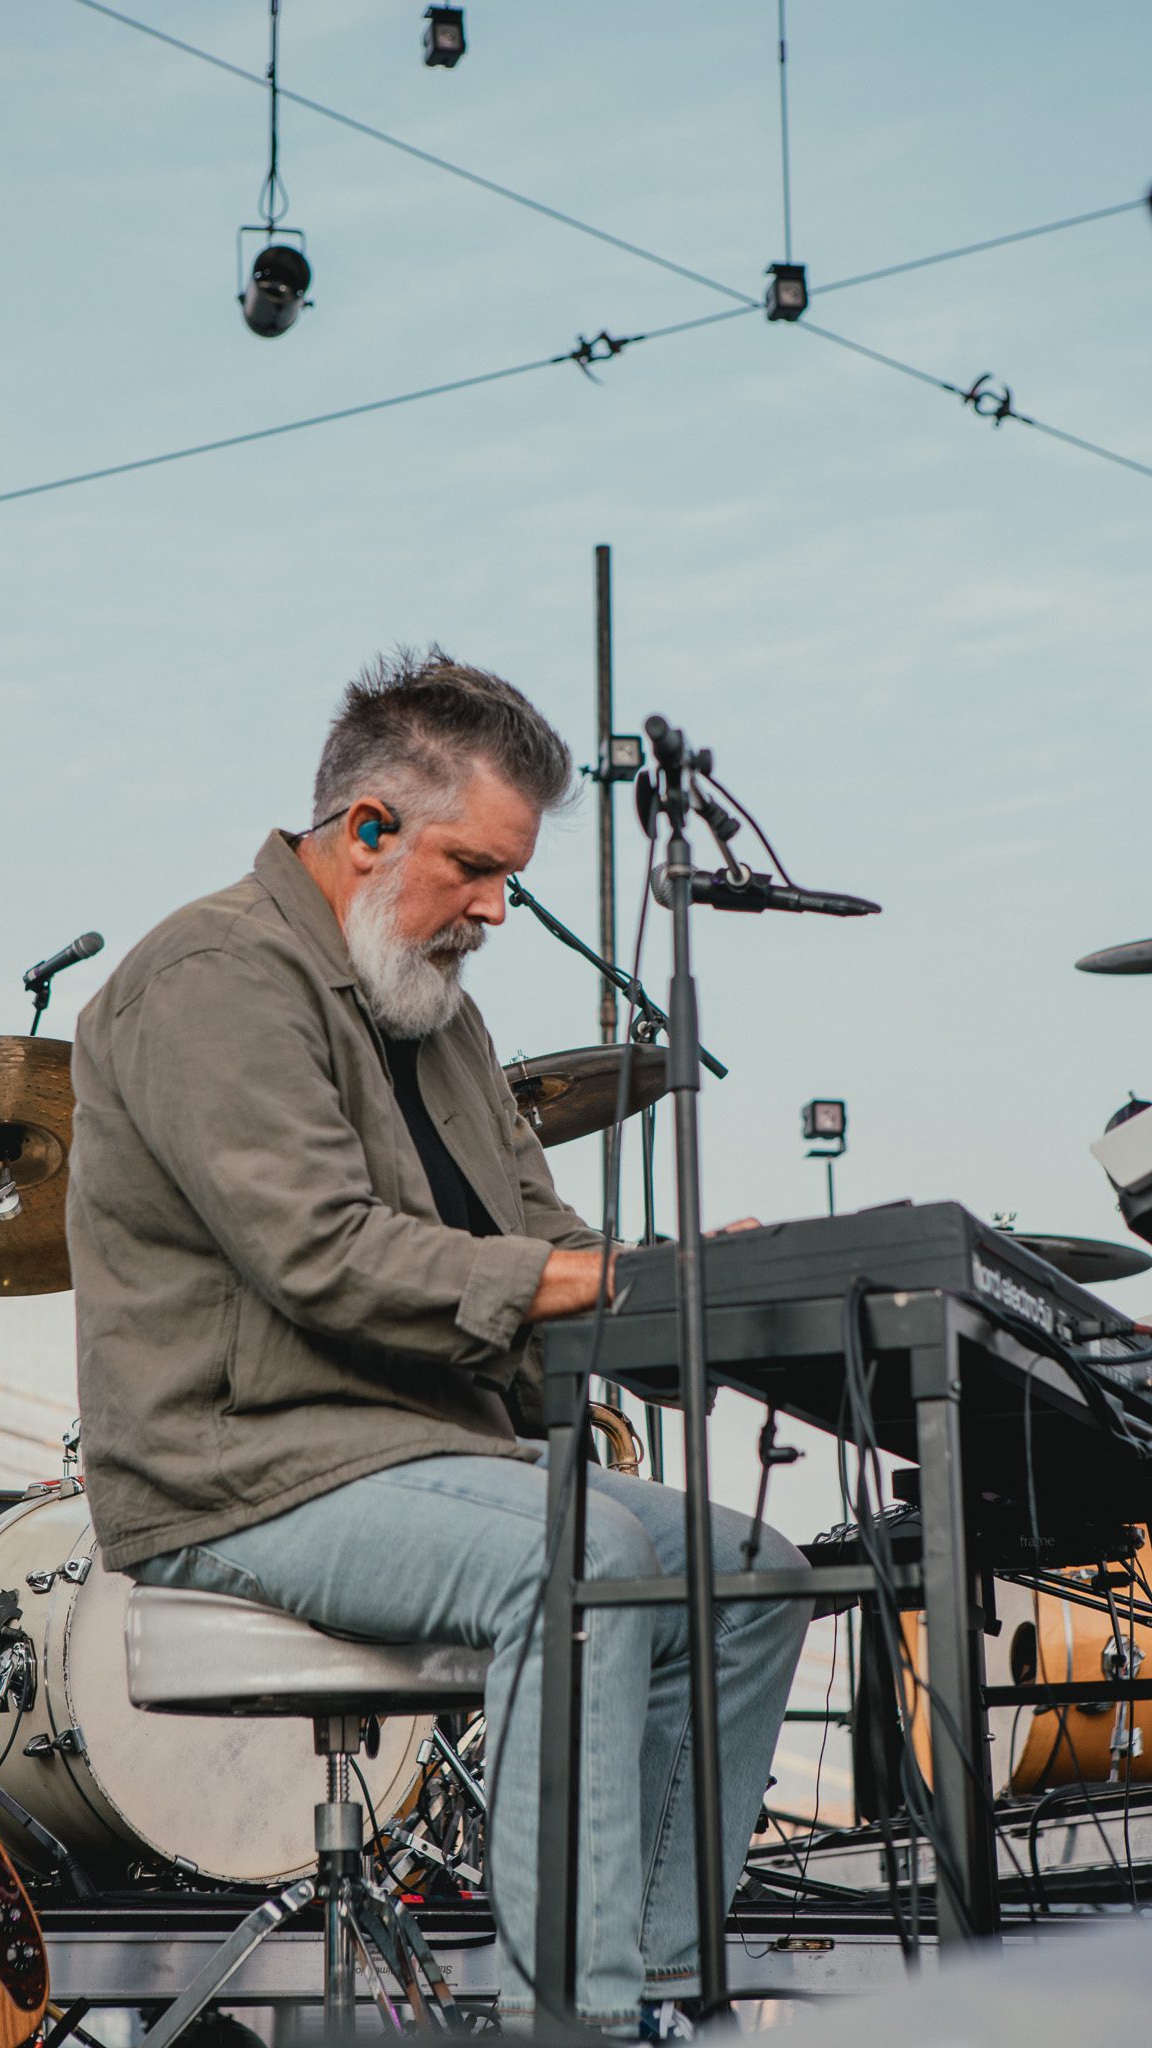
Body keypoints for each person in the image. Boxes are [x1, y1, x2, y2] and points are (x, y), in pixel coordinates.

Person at [67, 649, 808, 2034]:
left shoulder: (442, 1016)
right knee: (577, 1557)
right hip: (245, 1473)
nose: (494, 908)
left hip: (421, 1457)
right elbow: (321, 1253)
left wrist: (696, 1279)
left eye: (506, 876)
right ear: (364, 829)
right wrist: (583, 1281)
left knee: (752, 1572)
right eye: (472, 866)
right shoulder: (212, 975)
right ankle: (569, 2019)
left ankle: (650, 1991)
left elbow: (542, 1244)